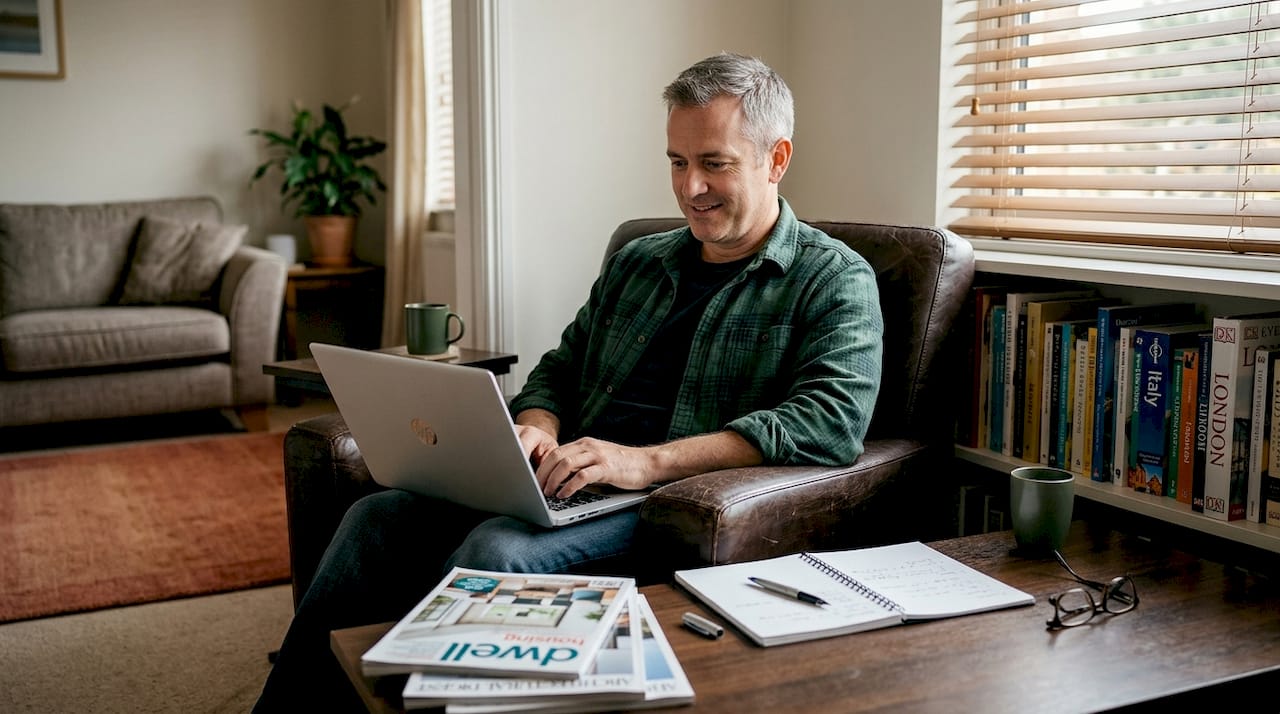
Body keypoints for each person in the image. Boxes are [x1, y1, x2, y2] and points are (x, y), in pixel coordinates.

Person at [254, 51, 883, 711]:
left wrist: (643, 463)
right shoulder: (640, 261)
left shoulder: (832, 279)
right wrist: (535, 428)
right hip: (564, 477)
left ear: (776, 159)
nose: (689, 187)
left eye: (715, 164)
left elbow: (829, 424)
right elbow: (559, 370)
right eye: (677, 161)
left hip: (660, 501)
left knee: (496, 552)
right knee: (374, 518)